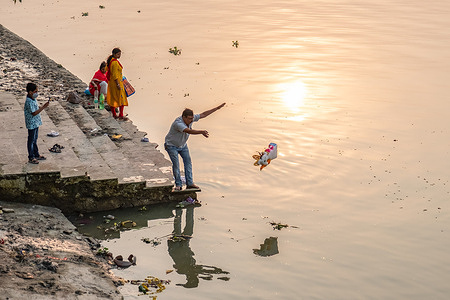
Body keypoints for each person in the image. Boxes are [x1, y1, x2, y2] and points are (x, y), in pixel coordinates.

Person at [164, 103, 226, 190]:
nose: (191, 120)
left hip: (182, 145)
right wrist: (201, 132)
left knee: (188, 163)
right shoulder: (178, 123)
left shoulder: (191, 119)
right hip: (171, 145)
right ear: (184, 117)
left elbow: (203, 114)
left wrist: (216, 108)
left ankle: (190, 183)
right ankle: (178, 185)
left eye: (192, 118)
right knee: (176, 164)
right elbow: (188, 131)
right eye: (189, 119)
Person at [24, 83, 49, 164]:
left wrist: (41, 107)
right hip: (31, 123)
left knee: (35, 139)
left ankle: (36, 154)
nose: (36, 93)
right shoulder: (28, 101)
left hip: (35, 123)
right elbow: (34, 113)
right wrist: (43, 107)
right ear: (30, 92)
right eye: (35, 91)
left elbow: (36, 108)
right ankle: (31, 157)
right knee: (31, 140)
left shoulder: (33, 99)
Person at [106, 48, 128, 120]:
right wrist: (118, 84)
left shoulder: (111, 61)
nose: (119, 56)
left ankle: (114, 114)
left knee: (113, 98)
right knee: (121, 97)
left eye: (120, 54)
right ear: (114, 54)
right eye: (118, 54)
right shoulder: (114, 62)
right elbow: (115, 75)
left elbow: (107, 70)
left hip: (111, 82)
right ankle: (121, 115)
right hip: (116, 82)